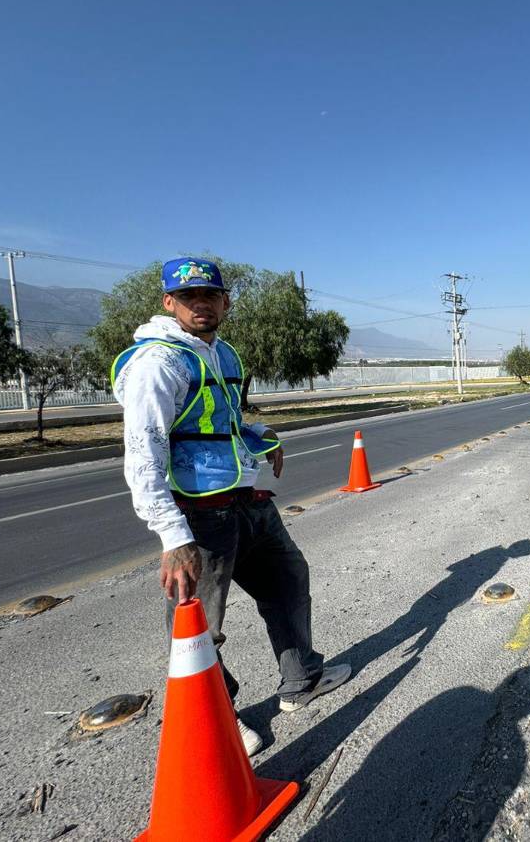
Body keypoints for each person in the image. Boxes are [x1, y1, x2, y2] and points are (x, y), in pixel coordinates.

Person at [112, 256, 350, 756]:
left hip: (247, 501)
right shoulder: (158, 363)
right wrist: (173, 537)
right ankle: (216, 724)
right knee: (201, 626)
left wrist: (262, 436)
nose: (201, 304)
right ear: (169, 303)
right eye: (188, 297)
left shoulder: (219, 354)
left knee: (288, 582)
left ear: (225, 301)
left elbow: (218, 420)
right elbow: (143, 452)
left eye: (210, 296)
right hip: (199, 516)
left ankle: (301, 678)